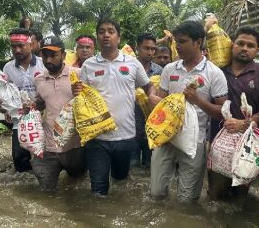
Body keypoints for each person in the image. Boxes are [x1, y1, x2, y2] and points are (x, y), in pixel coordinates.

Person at [72, 18, 159, 196]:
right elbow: (81, 97)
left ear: (118, 38)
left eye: (111, 31)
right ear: (97, 38)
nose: (106, 35)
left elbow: (148, 85)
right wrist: (75, 90)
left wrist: (151, 96)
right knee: (98, 190)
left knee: (120, 181)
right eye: (102, 31)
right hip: (97, 138)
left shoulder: (132, 63)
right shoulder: (89, 65)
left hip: (126, 137)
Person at [150, 20, 228, 202]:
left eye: (182, 41)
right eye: (176, 42)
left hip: (195, 142)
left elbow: (222, 112)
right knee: (156, 194)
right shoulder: (169, 69)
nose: (177, 46)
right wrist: (155, 100)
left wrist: (198, 100)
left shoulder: (214, 73)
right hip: (166, 137)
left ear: (198, 42)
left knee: (187, 201)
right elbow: (162, 101)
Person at [208, 26, 259, 200]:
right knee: (215, 195)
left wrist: (244, 123)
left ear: (257, 50)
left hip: (247, 147)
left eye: (250, 45)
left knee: (239, 195)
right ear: (232, 45)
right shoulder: (218, 71)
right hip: (218, 142)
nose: (245, 48)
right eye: (240, 43)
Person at [31, 36, 86, 191]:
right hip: (48, 147)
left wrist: (81, 94)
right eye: (45, 55)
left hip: (74, 146)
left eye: (53, 55)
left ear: (63, 55)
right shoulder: (39, 80)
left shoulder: (79, 75)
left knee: (78, 186)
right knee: (46, 191)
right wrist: (30, 106)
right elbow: (41, 104)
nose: (48, 59)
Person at [0, 28, 45, 172]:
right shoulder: (8, 68)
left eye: (21, 46)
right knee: (20, 161)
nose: (17, 50)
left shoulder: (43, 65)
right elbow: (4, 93)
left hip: (44, 118)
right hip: (20, 121)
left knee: (47, 159)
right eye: (13, 46)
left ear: (30, 45)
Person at [131, 33, 163, 168]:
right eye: (146, 48)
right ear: (137, 48)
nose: (150, 52)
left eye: (153, 49)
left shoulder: (160, 71)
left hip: (152, 129)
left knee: (150, 169)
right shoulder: (128, 68)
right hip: (130, 128)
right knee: (131, 168)